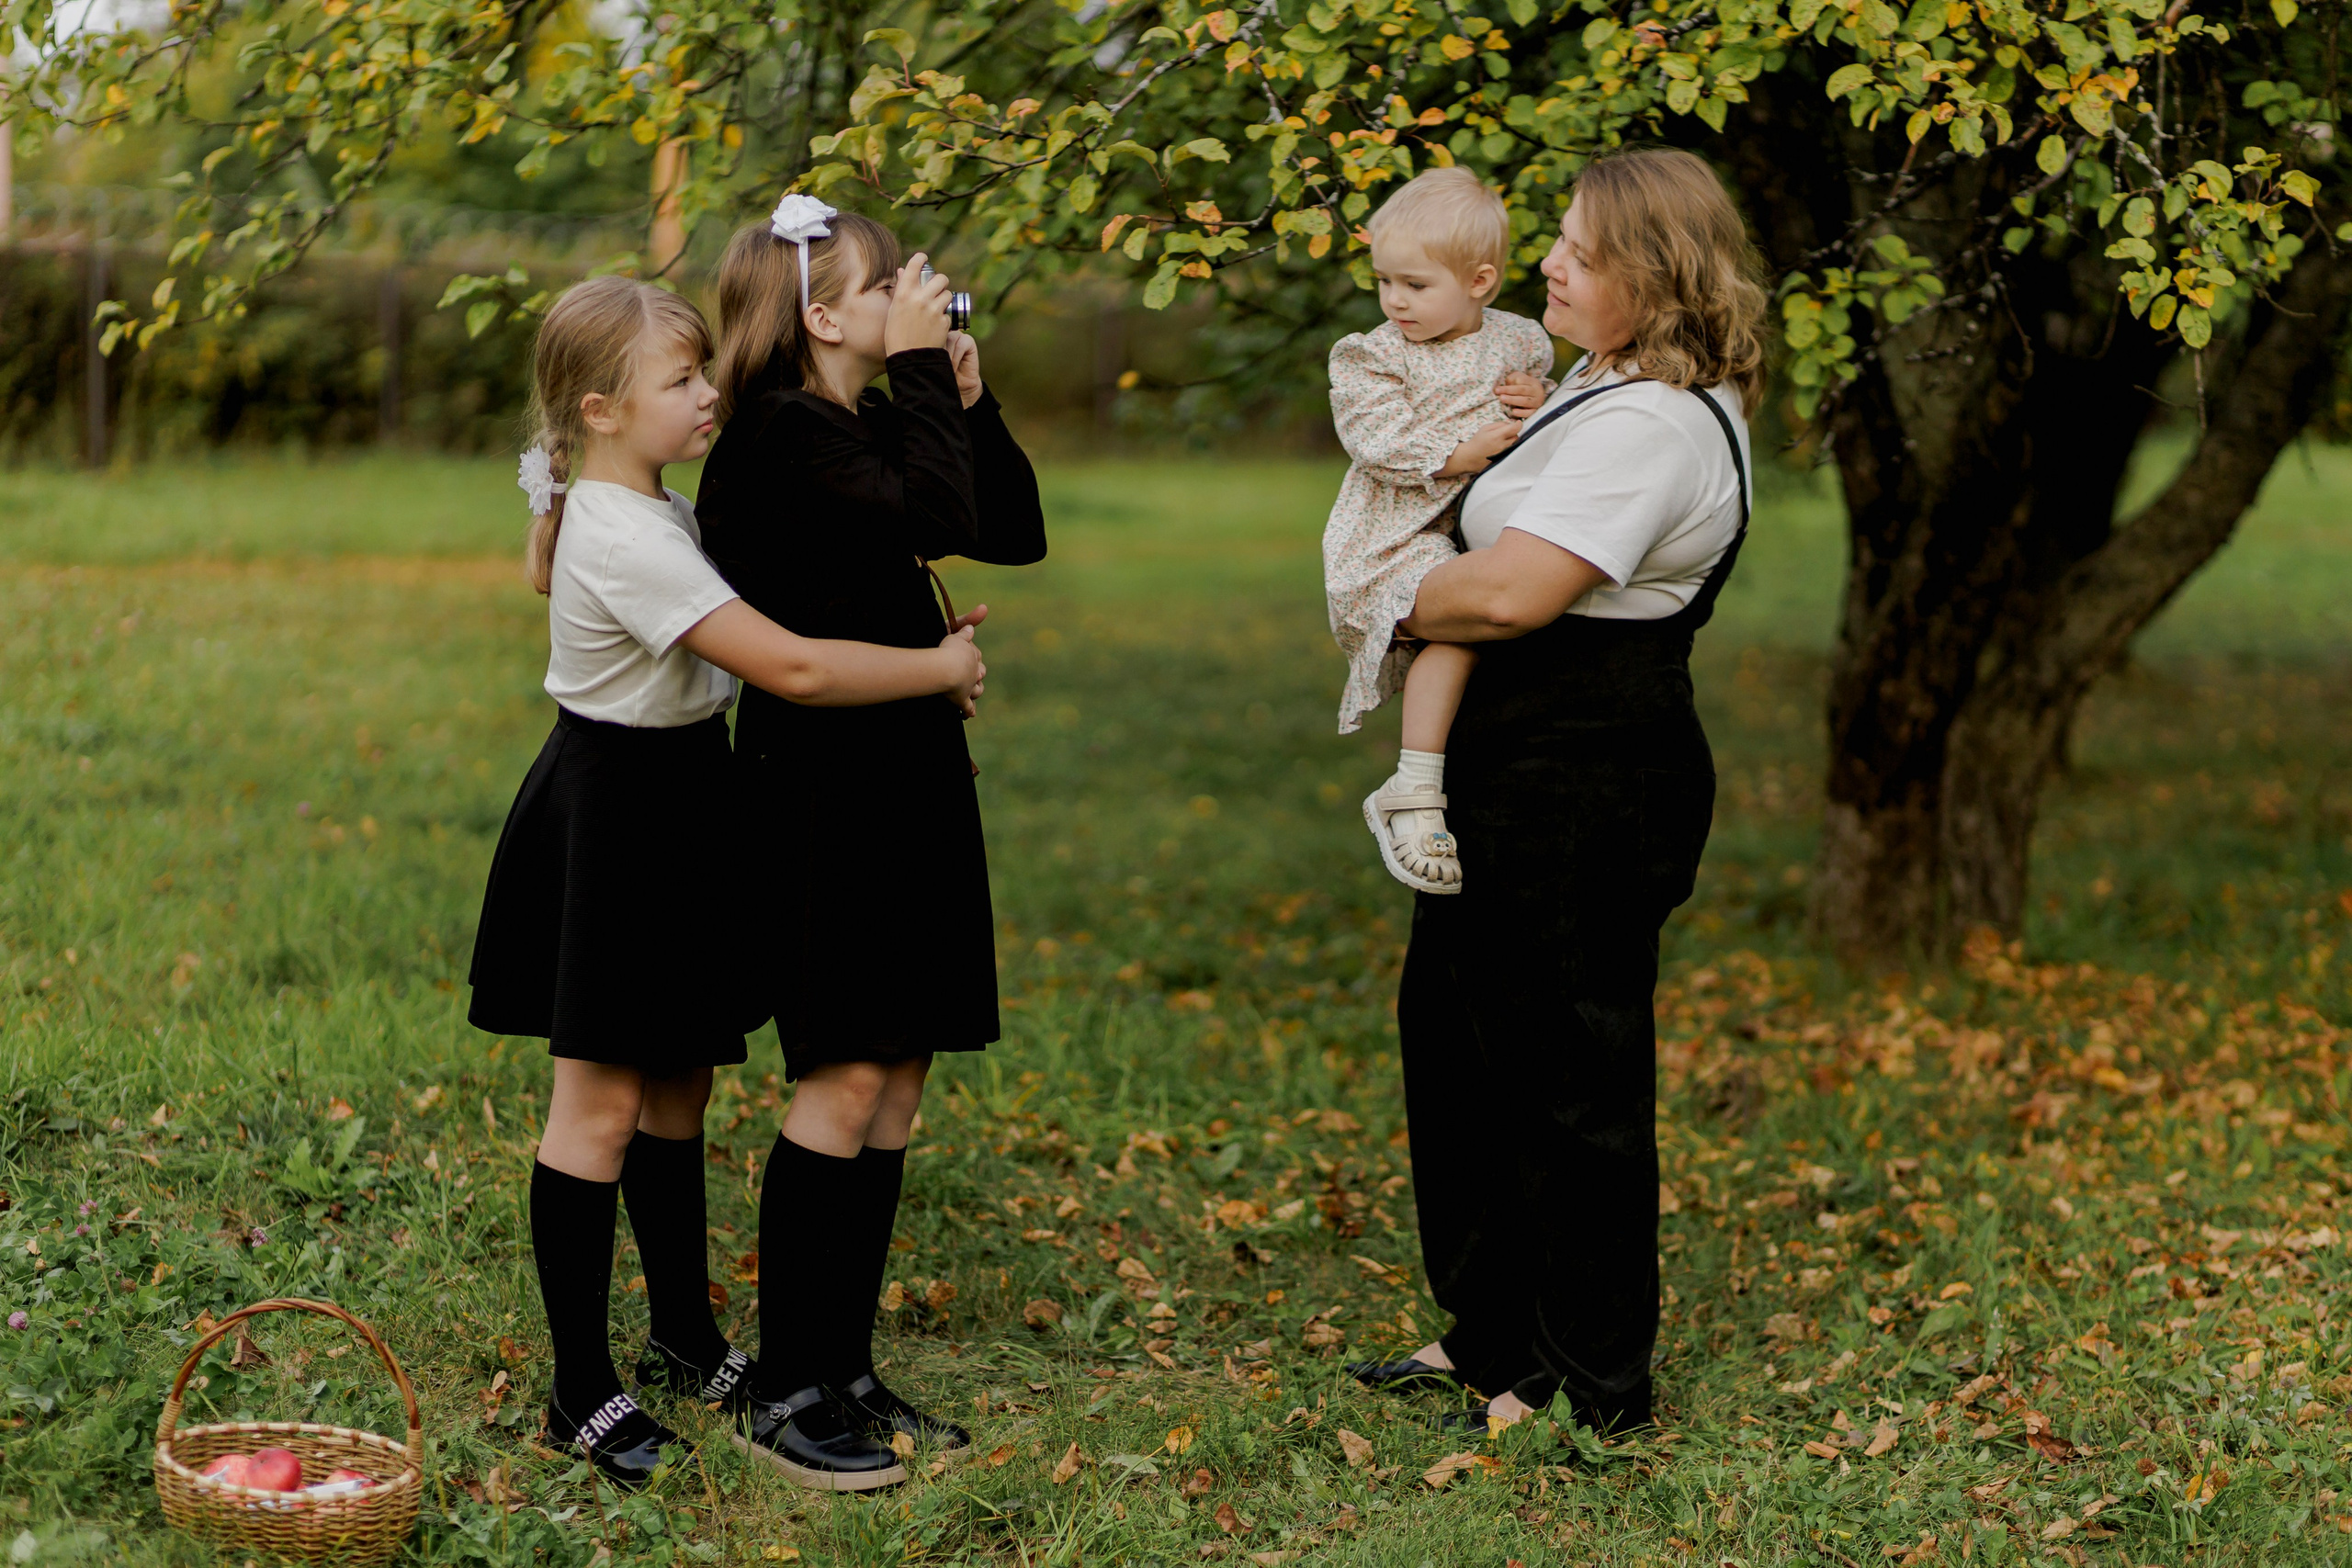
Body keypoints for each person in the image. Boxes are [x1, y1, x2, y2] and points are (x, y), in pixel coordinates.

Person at [464, 276, 986, 1490]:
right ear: (600, 410)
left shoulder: (665, 505)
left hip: (689, 803)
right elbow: (790, 667)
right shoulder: (623, 534)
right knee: (599, 1104)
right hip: (617, 816)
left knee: (679, 1086)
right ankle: (578, 1391)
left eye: (704, 371)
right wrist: (934, 667)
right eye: (682, 380)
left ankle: (686, 1338)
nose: (710, 394)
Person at [1342, 147, 1767, 1434]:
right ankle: (1492, 1337)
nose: (1549, 262)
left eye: (1580, 250)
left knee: (1566, 1072)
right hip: (1514, 750)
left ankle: (1589, 1377)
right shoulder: (1600, 378)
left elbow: (1516, 592)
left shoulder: (1654, 423)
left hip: (1585, 760)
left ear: (1656, 272)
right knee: (1462, 1045)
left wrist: (1382, 592)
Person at [693, 196, 1046, 1488]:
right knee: (843, 1074)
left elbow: (1006, 526)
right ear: (820, 315)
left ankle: (843, 1363)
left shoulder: (866, 421)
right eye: (885, 283)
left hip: (906, 782)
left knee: (897, 1073)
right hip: (822, 791)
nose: (912, 293)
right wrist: (922, 377)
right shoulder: (778, 434)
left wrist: (965, 393)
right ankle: (784, 1384)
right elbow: (929, 515)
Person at [1322, 167, 1555, 895]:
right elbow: (1375, 442)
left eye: (1415, 285)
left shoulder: (1519, 341)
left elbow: (1547, 409)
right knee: (1455, 637)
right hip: (1391, 537)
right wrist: (1461, 455)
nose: (1394, 300)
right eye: (1383, 281)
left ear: (1480, 281)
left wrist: (1540, 397)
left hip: (1465, 532)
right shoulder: (1376, 355)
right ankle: (1413, 787)